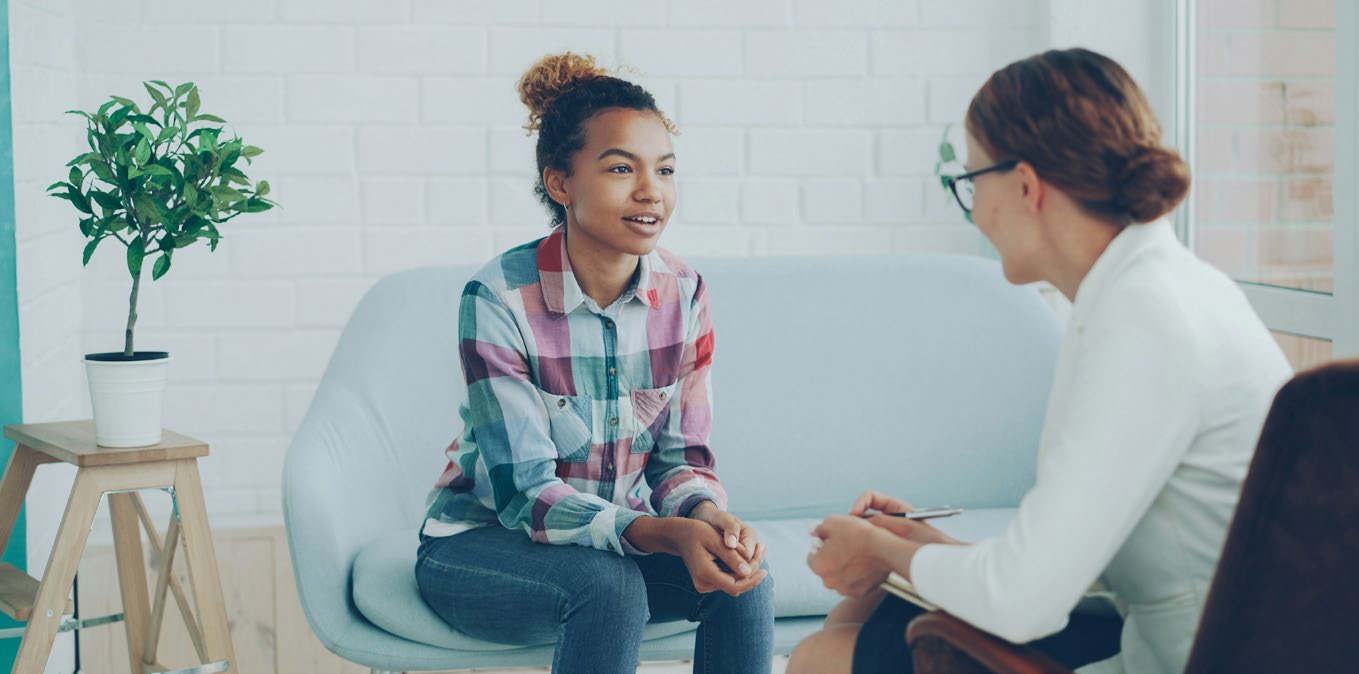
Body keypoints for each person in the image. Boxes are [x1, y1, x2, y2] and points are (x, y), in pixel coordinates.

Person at [789, 47, 1292, 674]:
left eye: (971, 183)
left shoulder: (1144, 316)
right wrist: (926, 550)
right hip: (1171, 628)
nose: (973, 208)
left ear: (1026, 186)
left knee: (821, 657)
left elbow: (1025, 604)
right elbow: (1079, 560)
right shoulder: (1151, 288)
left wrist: (887, 554)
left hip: (1188, 657)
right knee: (866, 613)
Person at [414, 53, 775, 674]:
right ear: (561, 183)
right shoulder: (499, 297)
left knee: (742, 580)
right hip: (480, 548)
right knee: (607, 585)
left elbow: (680, 461)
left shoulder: (684, 292)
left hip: (613, 547)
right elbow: (527, 495)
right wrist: (663, 534)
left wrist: (709, 520)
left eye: (664, 169)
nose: (650, 191)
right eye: (620, 168)